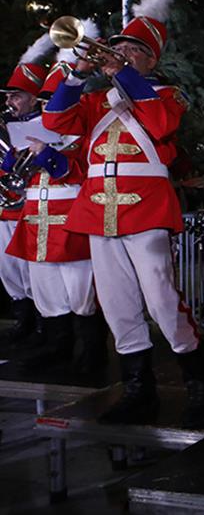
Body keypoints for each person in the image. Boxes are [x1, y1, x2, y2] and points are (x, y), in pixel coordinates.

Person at [43, 0, 204, 428]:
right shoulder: (95, 101)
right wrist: (78, 75)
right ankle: (139, 391)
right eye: (116, 47)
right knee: (118, 306)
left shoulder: (166, 95)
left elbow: (160, 124)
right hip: (99, 210)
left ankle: (199, 381)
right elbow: (54, 121)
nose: (119, 54)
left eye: (132, 50)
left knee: (161, 301)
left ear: (149, 61)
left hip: (146, 209)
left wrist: (124, 76)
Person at [4, 33, 107, 373]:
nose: (49, 106)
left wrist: (46, 154)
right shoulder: (29, 127)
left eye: (52, 98)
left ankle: (92, 356)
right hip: (36, 214)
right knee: (47, 288)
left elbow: (76, 171)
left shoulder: (81, 129)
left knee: (81, 290)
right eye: (46, 98)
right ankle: (57, 347)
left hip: (69, 215)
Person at [0, 37, 53, 347]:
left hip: (33, 207)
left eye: (16, 96)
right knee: (8, 269)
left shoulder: (47, 122)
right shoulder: (7, 125)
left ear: (34, 97)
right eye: (8, 96)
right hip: (6, 207)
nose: (10, 102)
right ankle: (23, 319)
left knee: (33, 271)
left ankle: (42, 326)